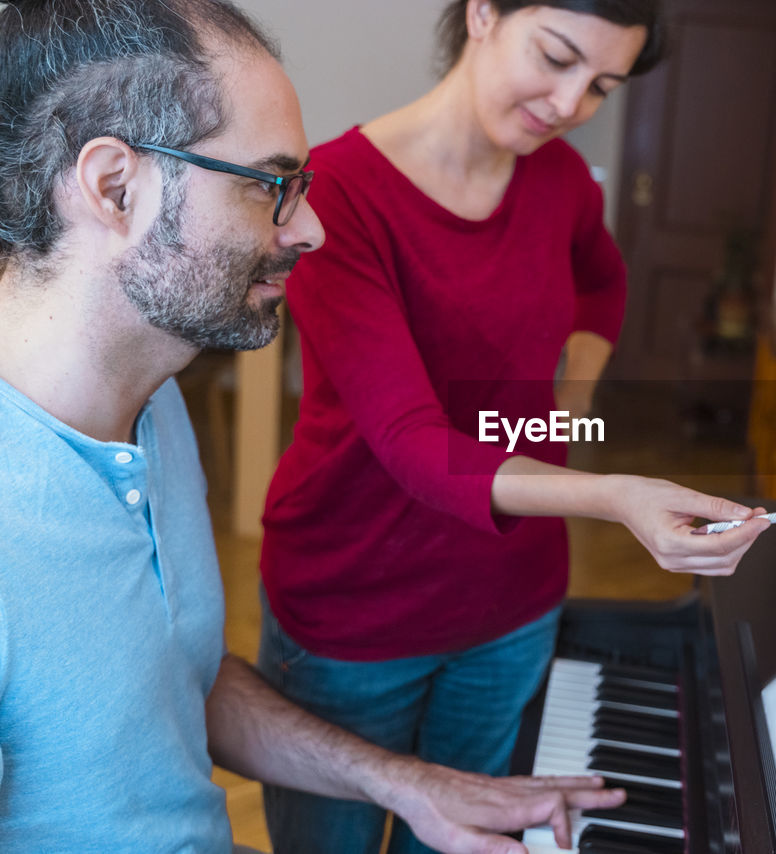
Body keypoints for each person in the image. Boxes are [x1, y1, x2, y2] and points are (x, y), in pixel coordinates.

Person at [0, 1, 629, 851]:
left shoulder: (153, 407)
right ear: (116, 187)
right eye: (270, 185)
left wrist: (408, 785)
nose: (311, 227)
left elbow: (179, 685)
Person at [256, 1, 770, 851]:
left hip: (511, 606)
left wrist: (565, 407)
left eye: (601, 85)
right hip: (355, 609)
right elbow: (413, 445)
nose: (571, 104)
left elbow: (603, 285)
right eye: (557, 57)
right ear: (483, 13)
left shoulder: (562, 182)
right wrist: (612, 492)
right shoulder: (336, 194)